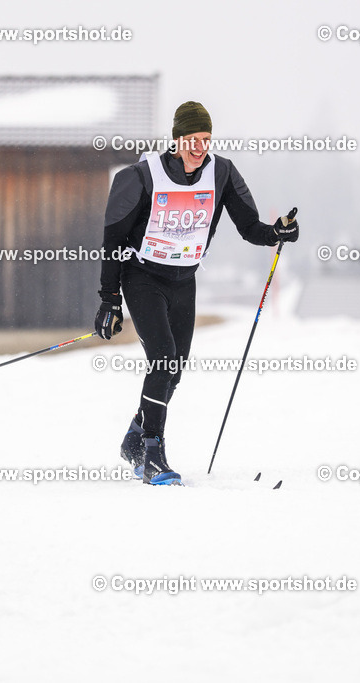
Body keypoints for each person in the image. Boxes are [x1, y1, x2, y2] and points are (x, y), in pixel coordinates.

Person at [94, 101, 299, 485]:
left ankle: (135, 436)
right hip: (142, 277)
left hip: (183, 280)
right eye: (192, 140)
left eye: (206, 139)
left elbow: (249, 227)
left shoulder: (221, 173)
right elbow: (112, 240)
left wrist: (277, 232)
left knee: (176, 369)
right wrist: (109, 299)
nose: (200, 147)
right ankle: (153, 452)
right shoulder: (141, 176)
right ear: (176, 140)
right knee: (164, 358)